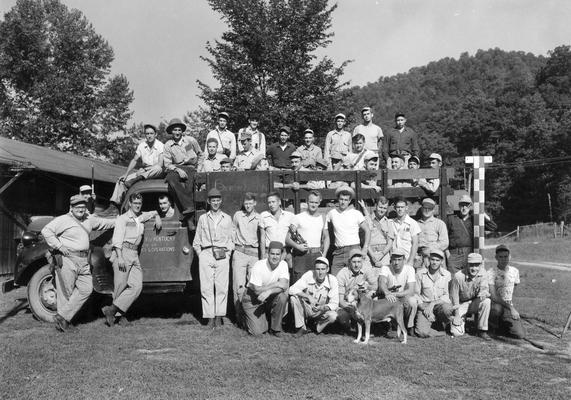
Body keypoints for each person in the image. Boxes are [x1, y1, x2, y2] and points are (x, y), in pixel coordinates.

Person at [42, 195, 115, 331]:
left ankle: (62, 317)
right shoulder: (63, 220)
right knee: (66, 291)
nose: (81, 209)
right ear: (71, 208)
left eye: (83, 207)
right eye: (77, 207)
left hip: (83, 260)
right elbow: (46, 231)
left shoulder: (88, 220)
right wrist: (59, 246)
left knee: (86, 288)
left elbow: (106, 223)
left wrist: (122, 220)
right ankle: (64, 323)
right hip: (68, 258)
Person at [102, 192, 161, 326]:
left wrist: (157, 216)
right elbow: (117, 239)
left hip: (134, 254)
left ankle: (111, 310)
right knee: (120, 287)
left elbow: (152, 212)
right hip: (123, 252)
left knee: (137, 286)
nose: (137, 206)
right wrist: (120, 257)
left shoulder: (140, 217)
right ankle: (119, 317)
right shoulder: (122, 219)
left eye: (139, 203)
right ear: (130, 204)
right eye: (135, 203)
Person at [192, 188, 234, 328]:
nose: (215, 203)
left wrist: (227, 255)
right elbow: (196, 241)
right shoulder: (203, 218)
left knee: (222, 286)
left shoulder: (227, 218)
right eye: (213, 200)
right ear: (209, 202)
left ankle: (219, 316)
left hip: (222, 254)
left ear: (221, 201)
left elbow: (231, 239)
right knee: (206, 287)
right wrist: (202, 255)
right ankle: (209, 317)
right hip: (206, 253)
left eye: (217, 200)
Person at [109, 124, 164, 208]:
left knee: (158, 168)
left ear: (155, 134)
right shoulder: (142, 145)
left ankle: (138, 178)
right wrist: (126, 174)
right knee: (121, 181)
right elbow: (134, 160)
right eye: (147, 134)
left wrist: (145, 170)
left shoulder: (160, 145)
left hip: (155, 171)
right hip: (143, 172)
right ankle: (114, 206)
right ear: (145, 135)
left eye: (151, 133)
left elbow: (160, 163)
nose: (149, 136)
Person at [241, 241, 289, 336]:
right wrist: (275, 284)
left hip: (267, 297)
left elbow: (283, 286)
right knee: (257, 332)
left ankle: (275, 329)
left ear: (281, 255)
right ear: (268, 253)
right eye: (272, 254)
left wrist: (269, 291)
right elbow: (257, 290)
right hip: (252, 298)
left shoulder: (283, 264)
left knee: (282, 297)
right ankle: (244, 316)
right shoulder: (259, 265)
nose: (275, 257)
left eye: (277, 254)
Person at [322, 186, 370, 276]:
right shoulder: (331, 213)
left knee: (355, 279)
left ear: (349, 201)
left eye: (346, 200)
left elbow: (367, 230)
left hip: (354, 250)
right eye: (341, 199)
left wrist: (365, 248)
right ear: (338, 199)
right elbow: (325, 232)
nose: (343, 202)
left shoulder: (356, 213)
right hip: (338, 252)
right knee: (335, 280)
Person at [163, 118, 202, 223]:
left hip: (191, 167)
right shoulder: (168, 145)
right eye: (174, 130)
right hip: (177, 168)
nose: (177, 132)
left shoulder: (190, 140)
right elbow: (167, 164)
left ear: (182, 131)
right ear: (171, 131)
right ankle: (188, 207)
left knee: (191, 185)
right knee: (170, 179)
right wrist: (177, 170)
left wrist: (199, 168)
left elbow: (200, 154)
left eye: (179, 130)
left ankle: (190, 217)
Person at [289, 257, 338, 336]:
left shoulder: (332, 280)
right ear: (314, 269)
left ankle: (316, 328)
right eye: (318, 269)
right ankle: (302, 328)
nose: (320, 272)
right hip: (307, 308)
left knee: (333, 315)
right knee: (293, 298)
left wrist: (322, 307)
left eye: (323, 269)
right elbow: (291, 289)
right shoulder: (309, 274)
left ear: (327, 269)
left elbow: (335, 303)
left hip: (321, 311)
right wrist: (308, 296)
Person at [232, 192, 261, 322]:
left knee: (253, 284)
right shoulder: (238, 215)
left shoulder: (259, 218)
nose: (248, 206)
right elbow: (232, 231)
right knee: (238, 285)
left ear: (254, 203)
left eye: (250, 203)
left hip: (254, 253)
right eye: (246, 203)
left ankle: (252, 315)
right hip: (239, 252)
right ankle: (239, 316)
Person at [449, 253, 492, 340]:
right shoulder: (458, 276)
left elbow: (484, 291)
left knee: (486, 301)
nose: (474, 268)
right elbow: (454, 297)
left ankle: (482, 330)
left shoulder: (483, 274)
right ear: (467, 265)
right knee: (457, 333)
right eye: (471, 265)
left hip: (474, 302)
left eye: (477, 265)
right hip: (460, 304)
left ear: (480, 265)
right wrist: (457, 315)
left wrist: (483, 295)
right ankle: (454, 320)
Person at [286, 190, 325, 283]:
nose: (313, 205)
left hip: (316, 255)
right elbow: (287, 239)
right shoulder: (298, 217)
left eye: (316, 202)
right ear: (307, 202)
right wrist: (297, 246)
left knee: (315, 284)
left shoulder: (323, 218)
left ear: (319, 202)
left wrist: (324, 254)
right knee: (299, 283)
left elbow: (326, 237)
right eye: (311, 202)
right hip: (301, 256)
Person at [414, 249, 454, 338]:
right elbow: (416, 294)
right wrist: (426, 309)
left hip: (439, 304)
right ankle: (441, 332)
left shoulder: (447, 274)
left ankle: (441, 321)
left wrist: (433, 304)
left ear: (442, 262)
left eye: (437, 260)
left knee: (447, 309)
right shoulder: (420, 274)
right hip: (425, 305)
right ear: (428, 260)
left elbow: (447, 295)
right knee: (421, 332)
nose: (434, 263)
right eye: (432, 259)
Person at [488, 245, 525, 339]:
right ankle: (491, 327)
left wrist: (510, 307)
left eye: (506, 257)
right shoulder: (491, 272)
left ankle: (502, 324)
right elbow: (493, 296)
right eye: (500, 257)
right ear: (496, 257)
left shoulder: (515, 271)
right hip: (495, 304)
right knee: (497, 309)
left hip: (508, 305)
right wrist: (511, 308)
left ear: (510, 257)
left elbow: (514, 288)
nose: (503, 259)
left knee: (520, 335)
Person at [377, 249, 418, 334]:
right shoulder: (385, 268)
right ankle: (387, 325)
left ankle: (409, 325)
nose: (396, 262)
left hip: (402, 297)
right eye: (394, 259)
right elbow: (381, 282)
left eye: (399, 260)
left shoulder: (410, 269)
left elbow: (411, 290)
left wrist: (395, 294)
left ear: (404, 260)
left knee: (412, 301)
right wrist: (387, 293)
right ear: (391, 260)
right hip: (388, 298)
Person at [335, 249, 377, 330]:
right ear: (349, 262)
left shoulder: (367, 269)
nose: (356, 265)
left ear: (362, 262)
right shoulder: (342, 274)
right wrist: (354, 310)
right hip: (347, 304)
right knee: (342, 318)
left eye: (359, 262)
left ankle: (373, 326)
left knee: (374, 295)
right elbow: (341, 301)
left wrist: (367, 288)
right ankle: (351, 325)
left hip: (362, 301)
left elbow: (375, 286)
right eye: (354, 262)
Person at [259, 192, 296, 257]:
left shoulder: (289, 216)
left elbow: (294, 234)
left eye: (273, 202)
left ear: (279, 202)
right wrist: (263, 255)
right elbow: (262, 237)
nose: (271, 204)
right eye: (269, 202)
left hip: (285, 252)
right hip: (270, 252)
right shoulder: (263, 216)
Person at [364, 196, 394, 275]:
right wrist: (373, 257)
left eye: (384, 208)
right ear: (376, 206)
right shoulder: (367, 220)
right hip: (370, 254)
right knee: (369, 278)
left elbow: (390, 243)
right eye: (380, 207)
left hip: (383, 255)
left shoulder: (388, 222)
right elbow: (365, 241)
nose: (382, 210)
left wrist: (381, 255)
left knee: (384, 278)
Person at [445, 195, 474, 272]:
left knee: (468, 280)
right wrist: (448, 254)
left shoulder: (474, 220)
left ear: (470, 206)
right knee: (453, 281)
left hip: (469, 254)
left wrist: (482, 213)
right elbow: (444, 236)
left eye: (467, 205)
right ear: (459, 206)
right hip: (454, 255)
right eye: (462, 205)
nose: (464, 208)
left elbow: (493, 227)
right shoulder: (451, 219)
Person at [389, 197, 420, 266]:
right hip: (394, 259)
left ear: (406, 208)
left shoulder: (412, 223)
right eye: (398, 207)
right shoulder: (391, 223)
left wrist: (411, 261)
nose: (400, 209)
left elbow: (415, 243)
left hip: (407, 259)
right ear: (395, 208)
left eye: (402, 207)